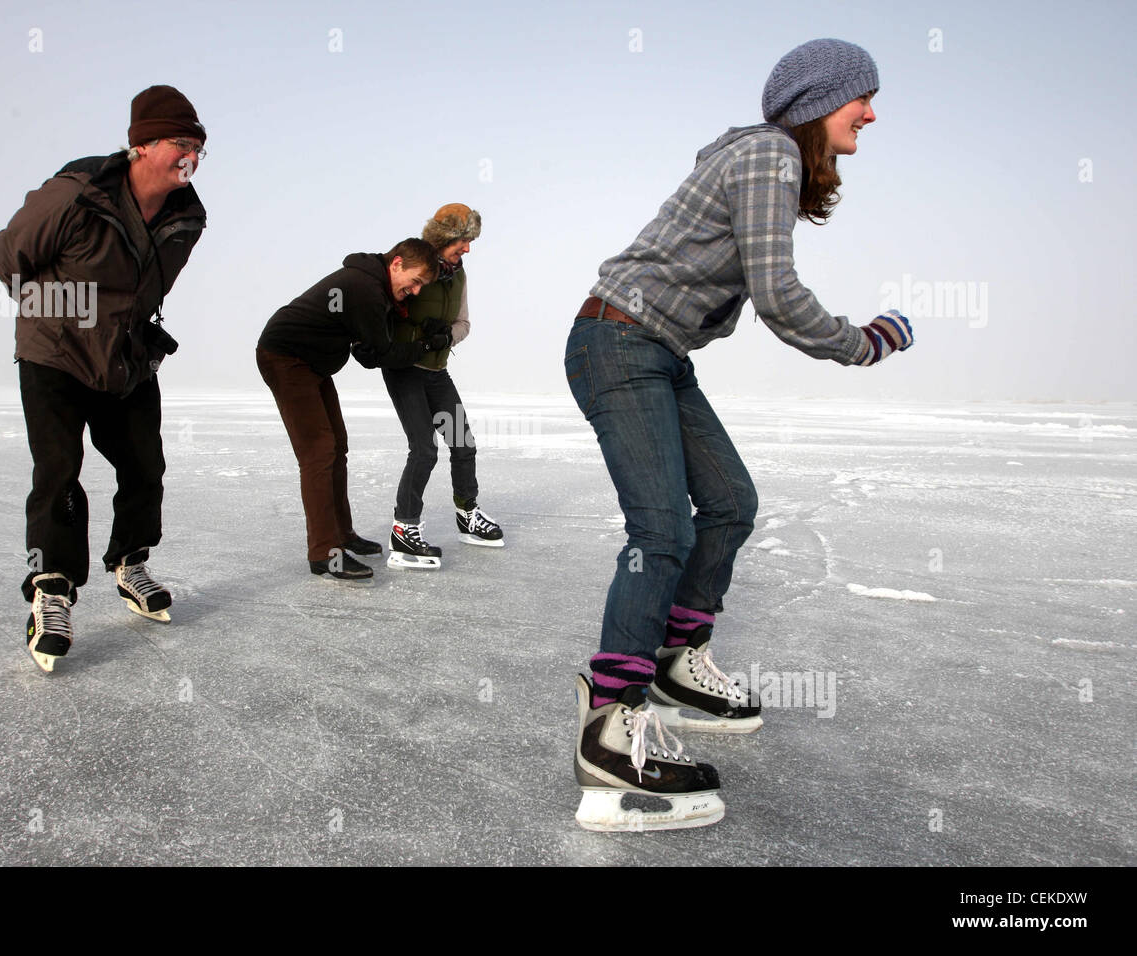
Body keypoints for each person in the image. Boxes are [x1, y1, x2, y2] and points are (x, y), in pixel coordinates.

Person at [564, 39, 914, 831]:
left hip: (652, 348)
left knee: (728, 503)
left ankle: (677, 662)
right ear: (821, 99)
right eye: (862, 97)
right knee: (660, 531)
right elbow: (778, 293)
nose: (872, 112)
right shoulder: (769, 154)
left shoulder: (765, 159)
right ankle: (610, 723)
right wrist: (861, 341)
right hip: (620, 342)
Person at [0, 85, 209, 673]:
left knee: (144, 465)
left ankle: (129, 562)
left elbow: (148, 289)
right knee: (60, 473)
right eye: (179, 143)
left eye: (198, 147)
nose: (189, 156)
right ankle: (52, 592)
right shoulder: (77, 194)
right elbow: (10, 256)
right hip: (55, 354)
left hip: (126, 359)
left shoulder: (188, 216)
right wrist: (58, 311)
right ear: (140, 145)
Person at [256, 240, 447, 580]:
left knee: (337, 447)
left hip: (312, 364)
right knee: (318, 452)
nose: (416, 291)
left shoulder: (372, 287)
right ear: (397, 264)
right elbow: (382, 355)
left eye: (422, 287)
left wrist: (384, 345)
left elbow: (371, 352)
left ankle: (343, 535)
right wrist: (424, 345)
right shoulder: (365, 287)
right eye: (415, 281)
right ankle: (325, 553)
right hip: (285, 357)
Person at [382, 203, 504, 571]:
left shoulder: (459, 277)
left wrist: (445, 336)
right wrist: (418, 337)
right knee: (423, 450)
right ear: (444, 237)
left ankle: (467, 515)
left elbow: (464, 323)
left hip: (437, 373)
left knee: (463, 444)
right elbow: (385, 315)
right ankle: (404, 529)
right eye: (463, 240)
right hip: (405, 370)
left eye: (470, 241)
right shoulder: (414, 264)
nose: (467, 248)